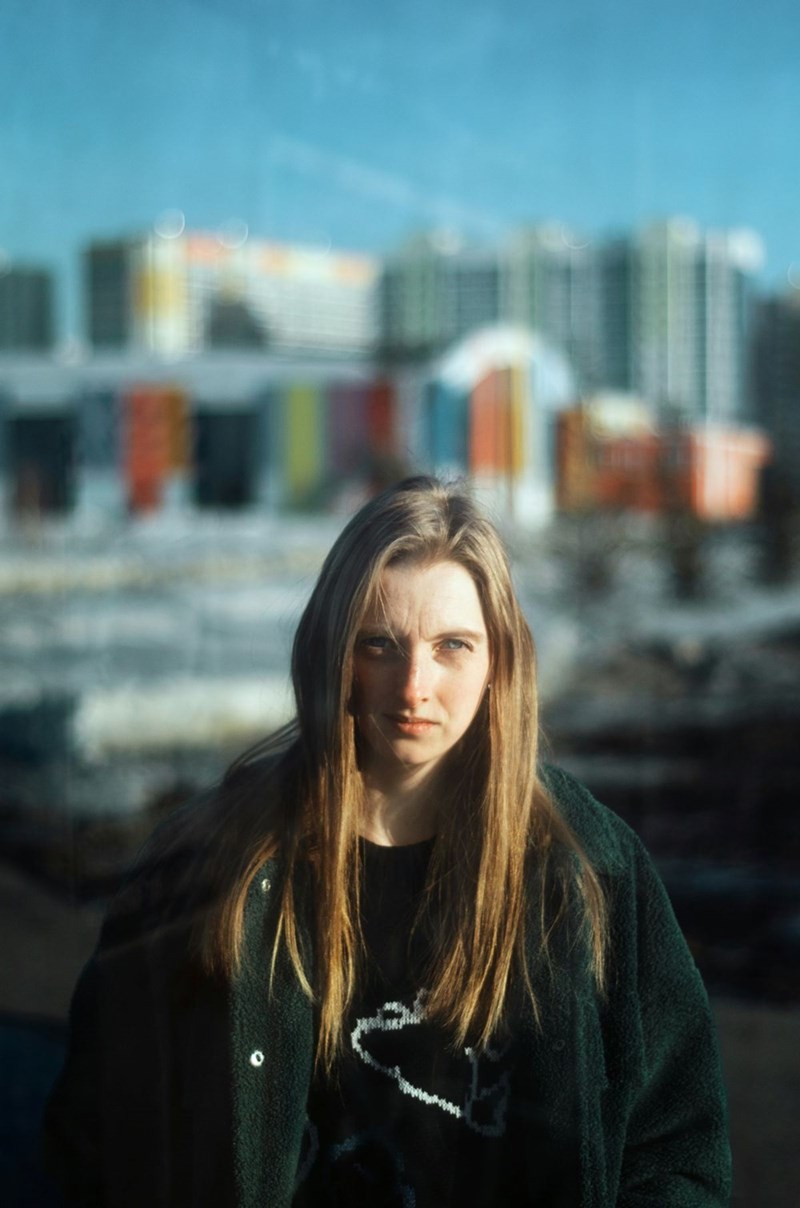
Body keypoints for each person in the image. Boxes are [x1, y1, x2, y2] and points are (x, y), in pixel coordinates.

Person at [44, 476, 732, 1207]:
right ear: (332, 650)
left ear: (499, 660)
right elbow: (97, 1133)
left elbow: (678, 1149)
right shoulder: (211, 866)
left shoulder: (591, 865)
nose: (413, 687)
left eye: (452, 646)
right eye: (379, 644)